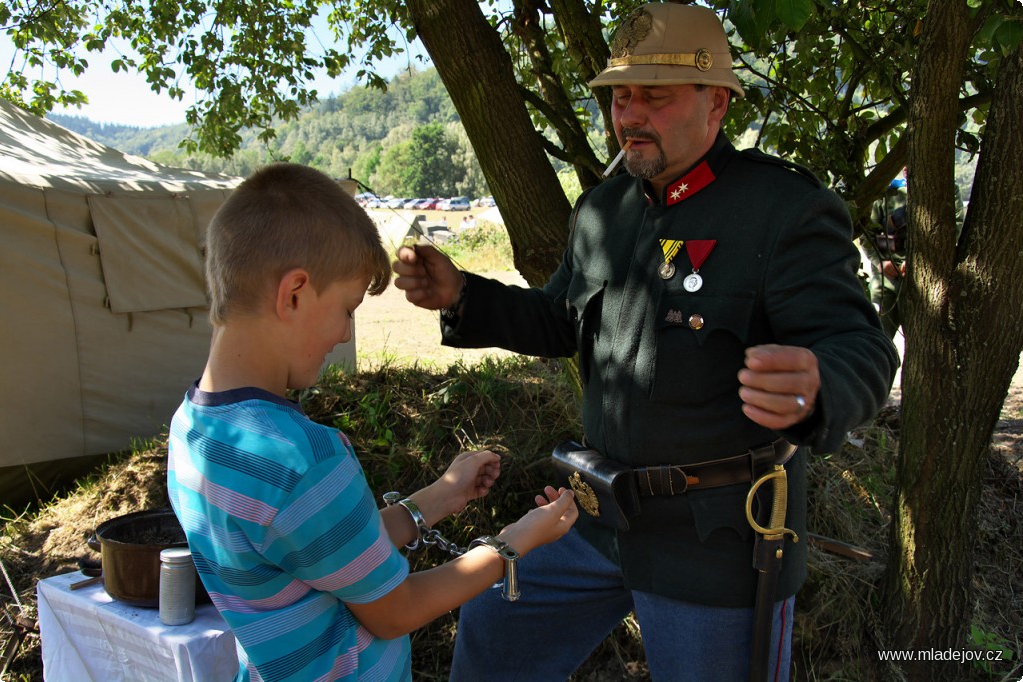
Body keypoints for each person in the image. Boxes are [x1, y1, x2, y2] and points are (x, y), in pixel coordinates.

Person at [392, 4, 898, 680]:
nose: (629, 114)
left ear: (716, 103)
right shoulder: (605, 209)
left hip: (718, 544)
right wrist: (464, 295)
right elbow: (560, 321)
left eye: (653, 96)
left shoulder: (782, 211)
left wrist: (817, 383)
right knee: (495, 623)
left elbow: (861, 349)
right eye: (620, 96)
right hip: (595, 521)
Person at [166, 163, 577, 682]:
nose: (343, 334)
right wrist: (512, 544)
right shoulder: (301, 458)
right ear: (294, 293)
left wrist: (439, 497)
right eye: (347, 308)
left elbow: (324, 550)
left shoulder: (192, 430)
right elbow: (396, 610)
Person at [863, 165, 965, 338]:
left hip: (926, 281)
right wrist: (880, 262)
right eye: (903, 162)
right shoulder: (886, 192)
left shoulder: (947, 189)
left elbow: (953, 229)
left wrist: (923, 262)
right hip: (886, 279)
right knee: (877, 338)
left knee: (922, 341)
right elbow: (867, 233)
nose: (907, 167)